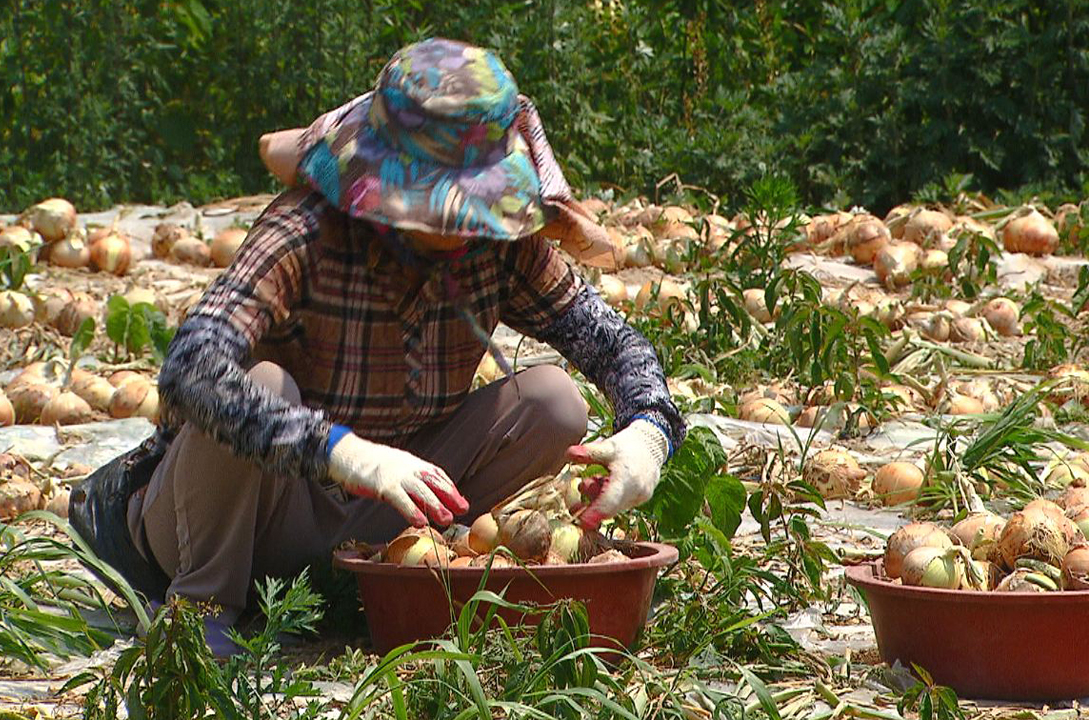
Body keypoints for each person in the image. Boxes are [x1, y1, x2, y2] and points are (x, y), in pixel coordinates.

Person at [70, 37, 685, 656]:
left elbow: (609, 340)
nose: (457, 226)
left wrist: (649, 430)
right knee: (262, 385)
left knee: (553, 402)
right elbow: (190, 371)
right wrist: (342, 451)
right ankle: (203, 612)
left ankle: (417, 576)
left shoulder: (498, 247)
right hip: (253, 508)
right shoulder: (304, 232)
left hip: (384, 509)